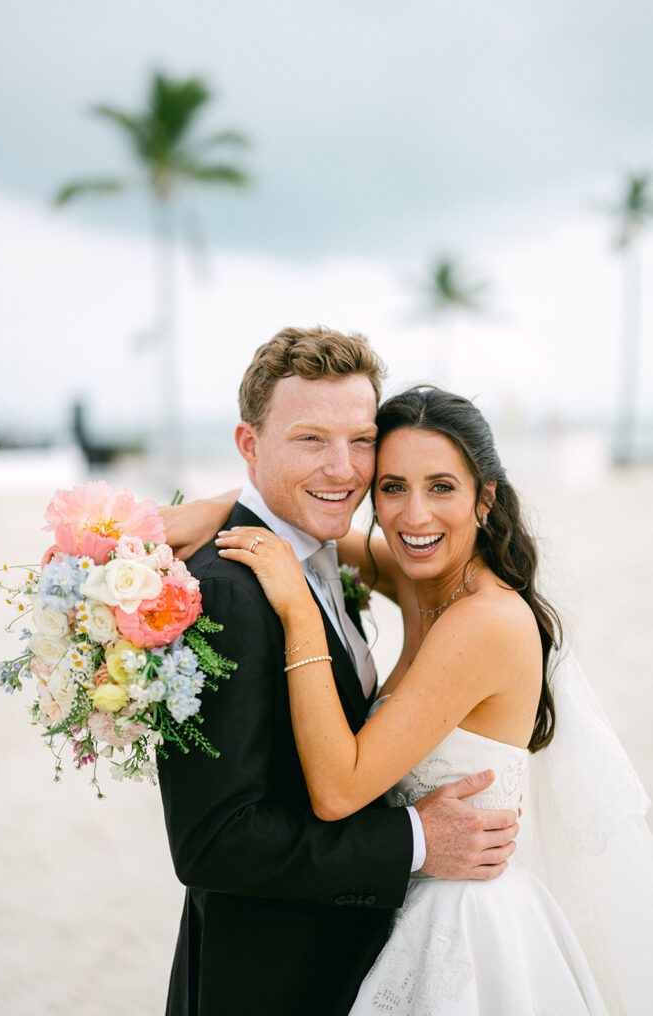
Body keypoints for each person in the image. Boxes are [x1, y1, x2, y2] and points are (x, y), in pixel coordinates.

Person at [172, 385, 653, 1014]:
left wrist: (298, 610)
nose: (414, 516)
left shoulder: (486, 621)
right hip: (398, 911)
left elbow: (340, 789)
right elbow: (290, 522)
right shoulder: (417, 571)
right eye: (393, 487)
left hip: (467, 923)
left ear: (485, 496)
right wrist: (210, 510)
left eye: (442, 487)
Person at [156, 329, 520, 1016]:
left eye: (359, 442)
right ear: (249, 444)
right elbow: (212, 841)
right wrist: (415, 840)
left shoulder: (327, 556)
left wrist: (219, 508)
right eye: (310, 440)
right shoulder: (228, 593)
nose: (342, 470)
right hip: (265, 981)